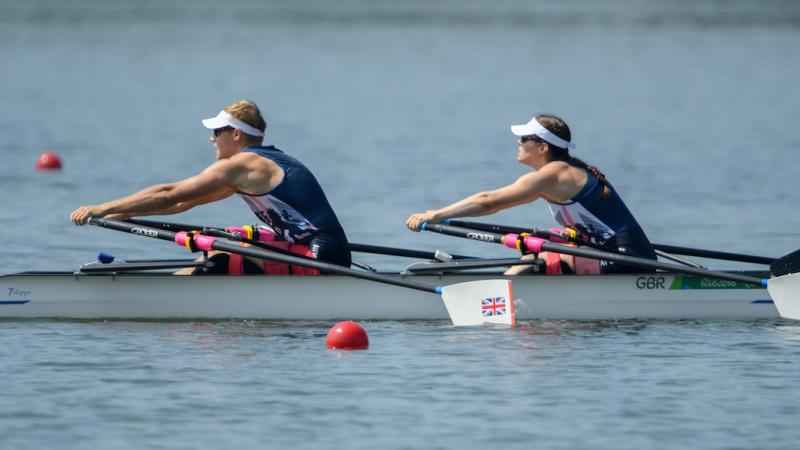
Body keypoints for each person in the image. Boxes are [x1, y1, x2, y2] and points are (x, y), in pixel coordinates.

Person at [70, 100, 351, 274]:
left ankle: (166, 300)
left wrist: (101, 207)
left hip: (321, 258)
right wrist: (119, 214)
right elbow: (182, 203)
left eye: (217, 132)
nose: (211, 139)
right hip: (317, 252)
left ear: (237, 134)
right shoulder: (252, 169)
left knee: (218, 259)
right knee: (223, 254)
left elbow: (171, 192)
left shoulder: (243, 164)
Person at [405, 114, 656, 275]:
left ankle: (496, 301)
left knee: (532, 263)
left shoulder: (556, 174)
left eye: (524, 138)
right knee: (533, 256)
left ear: (543, 147)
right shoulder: (556, 173)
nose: (518, 143)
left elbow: (489, 202)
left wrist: (434, 214)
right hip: (606, 255)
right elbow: (491, 204)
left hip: (631, 261)